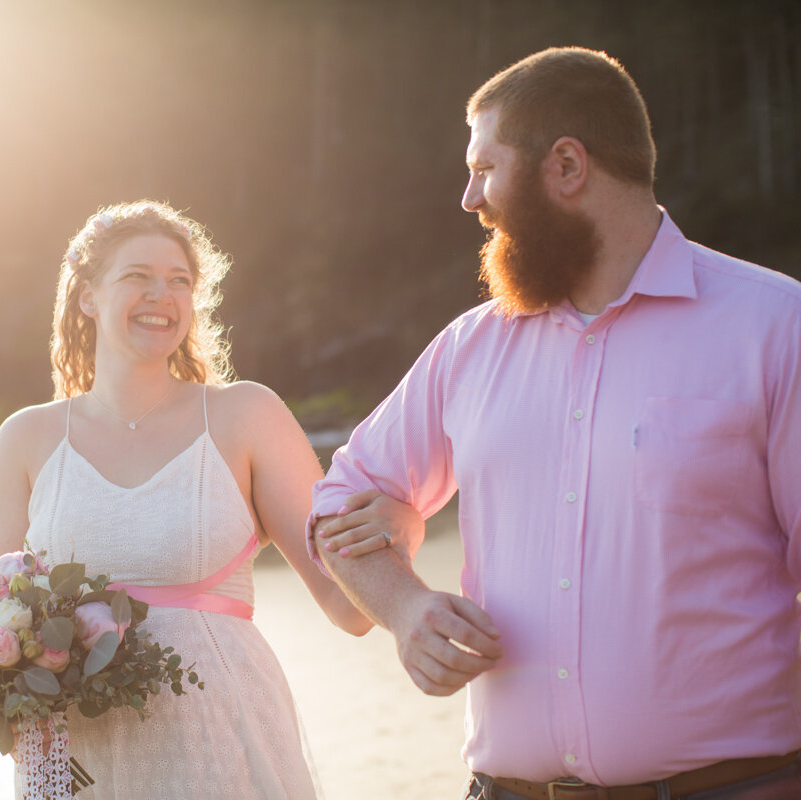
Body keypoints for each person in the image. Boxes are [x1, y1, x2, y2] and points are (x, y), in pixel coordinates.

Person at [311, 47, 801, 799]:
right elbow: (340, 498)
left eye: (486, 168)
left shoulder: (774, 327)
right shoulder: (469, 348)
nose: (469, 198)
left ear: (566, 166)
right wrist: (406, 610)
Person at [0, 200, 407, 799]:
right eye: (138, 277)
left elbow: (347, 605)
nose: (163, 295)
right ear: (87, 297)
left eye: (180, 281)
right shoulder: (25, 438)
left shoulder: (246, 415)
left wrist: (397, 520)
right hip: (77, 759)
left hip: (220, 745)